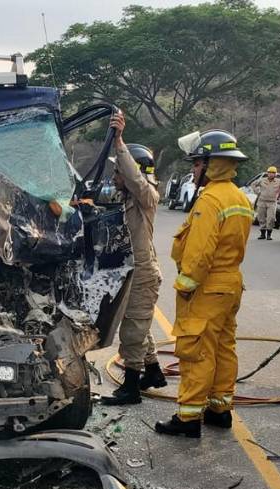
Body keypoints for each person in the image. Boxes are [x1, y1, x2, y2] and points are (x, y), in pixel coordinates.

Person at [155, 129, 253, 437]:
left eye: (198, 164)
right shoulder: (238, 196)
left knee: (196, 349)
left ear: (213, 164)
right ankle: (220, 409)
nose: (194, 170)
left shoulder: (210, 200)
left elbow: (199, 252)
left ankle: (188, 418)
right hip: (230, 284)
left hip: (207, 287)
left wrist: (185, 285)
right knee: (223, 347)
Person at [102, 110, 167, 406]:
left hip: (142, 272)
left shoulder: (146, 196)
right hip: (133, 271)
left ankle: (130, 389)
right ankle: (153, 372)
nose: (115, 177)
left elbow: (135, 179)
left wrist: (120, 141)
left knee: (132, 329)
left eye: (118, 172)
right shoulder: (126, 198)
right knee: (138, 324)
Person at [250, 166, 280, 240]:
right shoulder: (262, 180)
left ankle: (269, 234)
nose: (271, 174)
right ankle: (262, 234)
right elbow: (253, 184)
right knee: (261, 218)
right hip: (262, 201)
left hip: (272, 203)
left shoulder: (279, 182)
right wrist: (257, 192)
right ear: (267, 173)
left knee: (271, 218)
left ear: (275, 174)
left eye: (273, 173)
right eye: (270, 173)